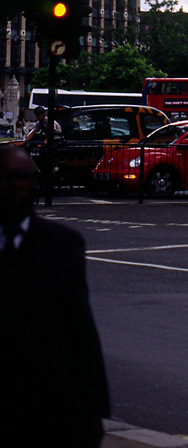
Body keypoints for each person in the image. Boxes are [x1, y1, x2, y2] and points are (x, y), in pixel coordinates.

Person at [0, 145, 110, 445]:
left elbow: (80, 328)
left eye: (25, 176)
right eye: (7, 177)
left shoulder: (63, 244)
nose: (17, 184)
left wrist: (95, 410)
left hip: (48, 404)